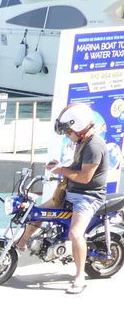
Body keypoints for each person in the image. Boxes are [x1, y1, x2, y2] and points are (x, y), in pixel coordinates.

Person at [47, 104, 109, 295]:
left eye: (68, 131)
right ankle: (21, 244)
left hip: (88, 196)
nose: (67, 134)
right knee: (36, 213)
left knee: (75, 233)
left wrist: (61, 170)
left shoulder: (94, 145)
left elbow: (84, 178)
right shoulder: (82, 142)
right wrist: (59, 166)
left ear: (78, 127)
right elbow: (76, 168)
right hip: (72, 191)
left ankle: (80, 277)